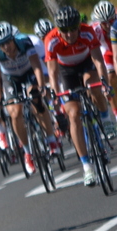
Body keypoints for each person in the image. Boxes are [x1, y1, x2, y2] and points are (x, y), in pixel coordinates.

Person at [46, 5, 115, 186]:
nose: (69, 34)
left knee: (93, 86)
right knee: (74, 115)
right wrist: (54, 93)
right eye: (65, 31)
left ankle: (105, 118)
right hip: (66, 72)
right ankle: (87, 167)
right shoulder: (51, 39)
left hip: (86, 64)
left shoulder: (87, 32)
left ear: (79, 26)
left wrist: (104, 83)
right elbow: (52, 72)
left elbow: (98, 61)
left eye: (73, 29)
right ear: (58, 30)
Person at [0, 21, 58, 175]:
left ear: (13, 38)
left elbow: (36, 66)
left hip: (28, 74)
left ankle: (51, 140)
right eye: (2, 44)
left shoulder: (25, 42)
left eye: (8, 42)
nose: (6, 46)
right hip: (11, 79)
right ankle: (27, 153)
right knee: (15, 112)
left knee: (37, 101)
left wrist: (41, 86)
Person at [92, 1, 117, 118]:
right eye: (104, 23)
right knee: (110, 77)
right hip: (107, 51)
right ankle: (115, 111)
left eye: (111, 21)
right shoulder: (95, 30)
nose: (108, 25)